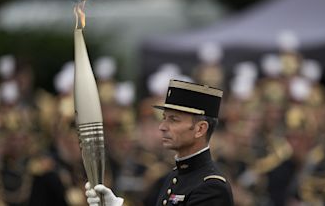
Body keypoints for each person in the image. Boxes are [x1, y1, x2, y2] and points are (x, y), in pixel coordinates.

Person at [85, 79, 234, 206]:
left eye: (173, 120)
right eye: (164, 118)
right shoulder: (174, 176)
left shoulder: (211, 187)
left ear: (200, 129)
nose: (162, 127)